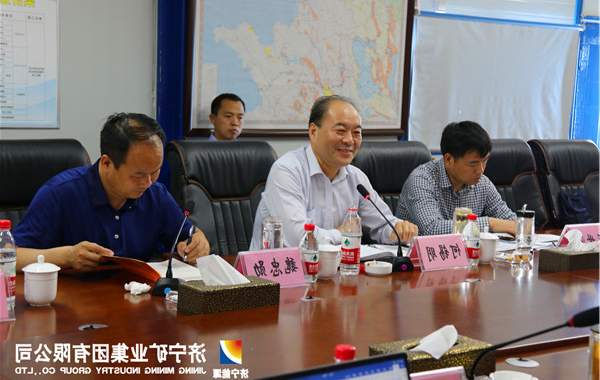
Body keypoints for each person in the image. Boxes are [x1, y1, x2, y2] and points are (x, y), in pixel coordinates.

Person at [13, 112, 210, 271]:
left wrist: (198, 244)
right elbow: (11, 257)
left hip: (136, 299)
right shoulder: (60, 193)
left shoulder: (156, 195)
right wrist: (67, 256)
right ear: (107, 163)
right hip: (72, 301)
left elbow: (189, 235)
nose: (148, 183)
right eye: (138, 175)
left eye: (155, 171)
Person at [249, 95, 418, 250]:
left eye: (356, 133)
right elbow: (297, 239)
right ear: (313, 132)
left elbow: (382, 224)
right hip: (280, 271)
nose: (349, 140)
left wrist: (397, 230)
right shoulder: (287, 171)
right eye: (340, 131)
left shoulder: (356, 178)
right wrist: (341, 234)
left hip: (336, 270)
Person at [396, 121, 516, 236]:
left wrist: (519, 225)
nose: (481, 170)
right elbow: (431, 229)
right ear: (448, 160)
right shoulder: (421, 180)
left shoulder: (482, 183)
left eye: (485, 161)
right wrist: (490, 223)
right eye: (472, 164)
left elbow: (509, 221)